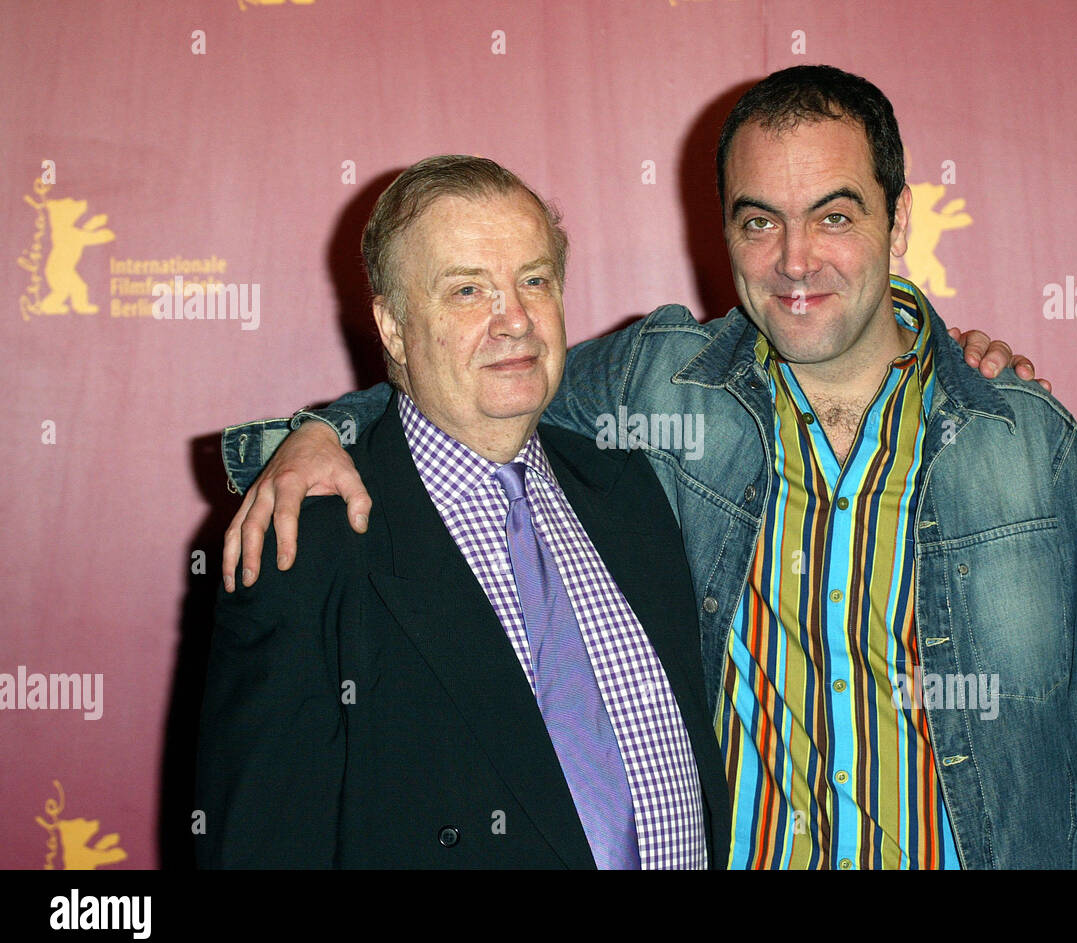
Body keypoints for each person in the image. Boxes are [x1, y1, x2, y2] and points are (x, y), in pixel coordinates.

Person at [219, 65, 1077, 869]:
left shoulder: (1024, 438)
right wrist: (319, 430)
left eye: (834, 215)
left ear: (898, 222)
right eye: (758, 221)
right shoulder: (662, 386)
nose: (794, 260)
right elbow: (484, 382)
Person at [195, 156, 731, 869]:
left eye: (534, 281)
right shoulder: (309, 542)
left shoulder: (628, 491)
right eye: (467, 290)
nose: (513, 320)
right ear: (391, 325)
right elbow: (260, 846)